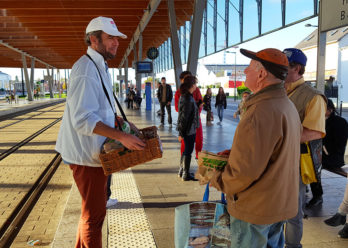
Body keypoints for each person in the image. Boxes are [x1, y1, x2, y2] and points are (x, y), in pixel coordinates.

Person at [55, 16, 145, 248]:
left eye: (117, 38)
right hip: (86, 157)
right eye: (110, 38)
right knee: (94, 218)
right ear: (94, 40)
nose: (116, 43)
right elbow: (82, 118)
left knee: (91, 213)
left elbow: (98, 107)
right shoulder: (86, 70)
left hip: (93, 153)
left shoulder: (98, 65)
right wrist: (122, 136)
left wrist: (123, 123)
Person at [210, 48, 301, 247]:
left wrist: (216, 178)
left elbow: (243, 173)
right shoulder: (286, 105)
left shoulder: (260, 111)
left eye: (249, 68)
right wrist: (236, 154)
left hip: (255, 209)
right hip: (278, 203)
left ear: (261, 74)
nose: (245, 72)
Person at [283, 48, 327, 248]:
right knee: (274, 207)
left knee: (293, 211)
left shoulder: (312, 96)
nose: (280, 71)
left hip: (296, 163)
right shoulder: (280, 90)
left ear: (297, 69)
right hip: (277, 160)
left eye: (284, 67)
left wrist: (278, 138)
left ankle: (293, 246)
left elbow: (315, 132)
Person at [175, 71, 203, 160]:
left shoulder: (196, 90)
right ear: (182, 81)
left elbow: (200, 102)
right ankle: (183, 165)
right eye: (187, 79)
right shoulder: (179, 93)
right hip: (187, 121)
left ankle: (198, 157)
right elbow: (178, 109)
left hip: (196, 119)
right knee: (186, 144)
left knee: (199, 139)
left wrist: (197, 109)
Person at [177, 75, 200, 181]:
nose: (196, 86)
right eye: (195, 84)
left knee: (186, 150)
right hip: (189, 130)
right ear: (191, 85)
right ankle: (185, 173)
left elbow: (186, 114)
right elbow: (184, 117)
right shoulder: (188, 98)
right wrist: (181, 133)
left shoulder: (186, 96)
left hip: (188, 129)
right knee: (188, 150)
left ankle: (182, 171)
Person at [322, 99, 348, 170]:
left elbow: (340, 145)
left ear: (330, 110)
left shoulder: (340, 122)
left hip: (332, 161)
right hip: (324, 159)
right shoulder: (320, 121)